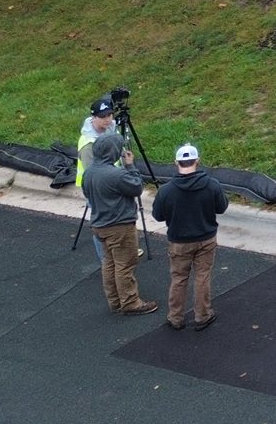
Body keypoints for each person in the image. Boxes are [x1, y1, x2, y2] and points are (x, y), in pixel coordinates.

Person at [150, 143, 227, 331]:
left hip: (179, 242)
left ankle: (175, 317)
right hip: (206, 239)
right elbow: (222, 208)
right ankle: (202, 315)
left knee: (178, 278)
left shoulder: (166, 190)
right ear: (197, 161)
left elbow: (158, 215)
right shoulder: (212, 185)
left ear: (176, 162)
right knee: (202, 277)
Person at [80, 133, 157, 314]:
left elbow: (86, 194)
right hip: (119, 226)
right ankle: (130, 303)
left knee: (109, 263)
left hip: (99, 225)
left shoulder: (89, 173)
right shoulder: (117, 174)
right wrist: (130, 166)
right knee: (125, 264)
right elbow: (137, 187)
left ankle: (114, 301)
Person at [75, 95, 120, 263]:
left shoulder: (111, 129)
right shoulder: (87, 144)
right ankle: (105, 258)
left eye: (110, 115)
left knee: (116, 221)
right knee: (101, 224)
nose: (108, 120)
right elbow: (91, 173)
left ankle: (118, 251)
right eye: (103, 117)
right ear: (93, 117)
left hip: (113, 183)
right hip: (96, 188)